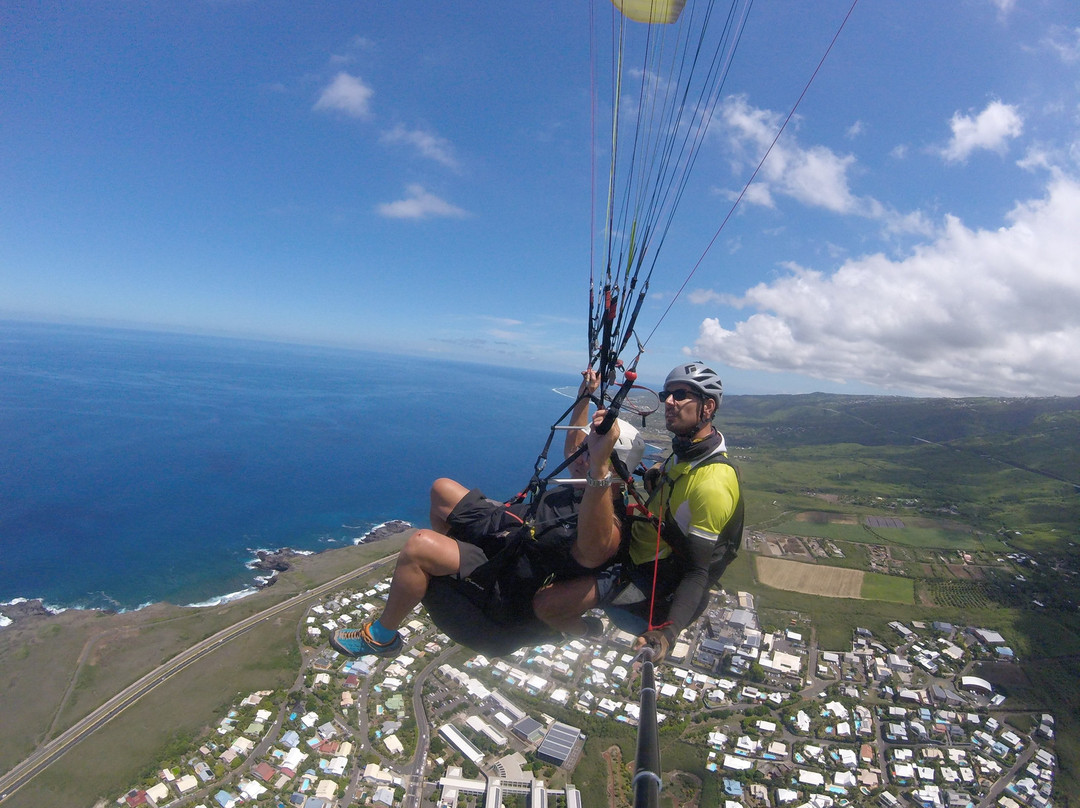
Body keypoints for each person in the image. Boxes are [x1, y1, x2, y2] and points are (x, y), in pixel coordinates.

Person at [330, 370, 644, 658]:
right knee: (442, 490)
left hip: (506, 581)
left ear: (612, 467)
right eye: (584, 449)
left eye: (591, 453)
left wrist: (599, 467)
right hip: (509, 534)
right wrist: (584, 398)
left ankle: (381, 637)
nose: (580, 457)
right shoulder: (583, 479)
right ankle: (441, 569)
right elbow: (574, 450)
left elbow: (594, 547)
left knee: (419, 546)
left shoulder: (606, 524)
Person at [532, 362, 743, 664]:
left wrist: (667, 634)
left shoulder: (711, 484)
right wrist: (585, 396)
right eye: (667, 393)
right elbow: (576, 455)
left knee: (548, 605)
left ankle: (586, 631)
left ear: (708, 406)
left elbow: (699, 572)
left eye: (681, 394)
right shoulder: (686, 454)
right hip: (636, 554)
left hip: (648, 589)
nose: (669, 401)